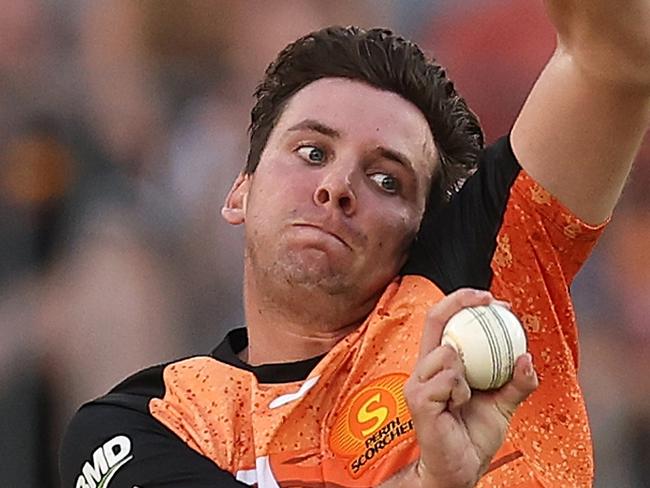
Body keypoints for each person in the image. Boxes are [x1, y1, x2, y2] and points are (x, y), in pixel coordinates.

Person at [60, 1, 650, 486]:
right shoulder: (145, 420)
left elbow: (614, 57)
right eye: (312, 152)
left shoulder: (474, 281)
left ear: (420, 236)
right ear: (240, 191)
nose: (337, 186)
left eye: (386, 179)